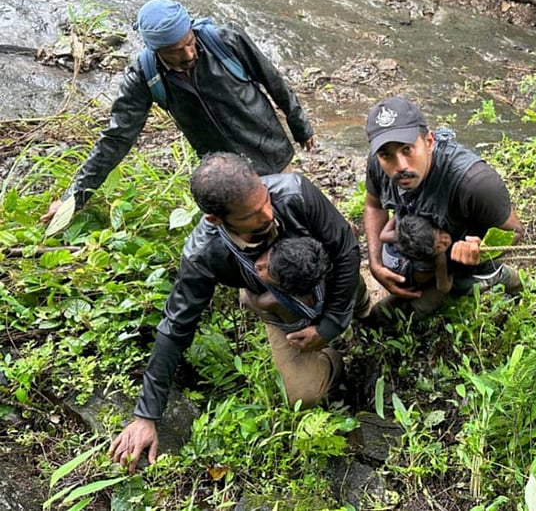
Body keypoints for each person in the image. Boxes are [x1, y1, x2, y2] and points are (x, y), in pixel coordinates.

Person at [108, 152, 368, 472]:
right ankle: (333, 359)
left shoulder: (294, 192)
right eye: (253, 215)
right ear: (216, 219)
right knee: (303, 395)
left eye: (265, 200)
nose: (269, 214)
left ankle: (362, 308)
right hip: (274, 302)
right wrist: (145, 416)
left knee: (353, 287)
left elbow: (344, 251)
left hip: (321, 270)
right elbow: (175, 327)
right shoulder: (205, 255)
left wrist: (330, 324)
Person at [41, 0, 316, 224]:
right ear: (155, 49)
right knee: (253, 226)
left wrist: (300, 125)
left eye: (188, 42)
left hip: (268, 148)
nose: (187, 54)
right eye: (175, 50)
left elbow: (273, 80)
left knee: (293, 211)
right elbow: (116, 138)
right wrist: (73, 198)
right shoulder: (144, 77)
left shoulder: (225, 40)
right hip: (223, 170)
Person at [362, 96, 523, 321]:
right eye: (386, 154)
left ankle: (501, 276)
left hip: (458, 261)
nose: (400, 166)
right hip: (419, 248)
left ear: (429, 141)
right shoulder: (377, 162)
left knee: (462, 286)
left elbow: (514, 232)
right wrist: (376, 264)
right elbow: (373, 205)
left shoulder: (475, 183)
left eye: (407, 149)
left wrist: (482, 250)